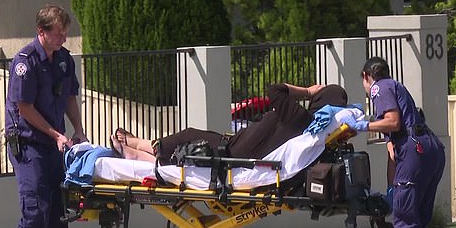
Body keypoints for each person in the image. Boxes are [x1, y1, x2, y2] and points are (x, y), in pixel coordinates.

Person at [344, 56, 449, 228]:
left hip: (416, 152)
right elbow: (393, 152)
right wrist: (393, 189)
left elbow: (392, 121)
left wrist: (362, 125)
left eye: (365, 85)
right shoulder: (399, 89)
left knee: (403, 220)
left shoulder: (381, 86)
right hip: (430, 150)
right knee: (415, 221)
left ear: (366, 77)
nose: (369, 93)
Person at [5, 4, 87, 228]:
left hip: (55, 143)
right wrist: (55, 134)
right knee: (36, 207)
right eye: (59, 32)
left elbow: (69, 97)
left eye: (66, 31)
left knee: (59, 210)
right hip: (29, 145)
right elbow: (23, 108)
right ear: (42, 32)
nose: (64, 37)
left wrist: (78, 128)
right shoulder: (25, 62)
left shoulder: (63, 60)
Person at [111, 83, 348, 163]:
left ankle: (139, 146)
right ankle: (139, 153)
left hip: (237, 150)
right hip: (241, 147)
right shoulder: (308, 127)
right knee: (191, 146)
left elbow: (274, 90)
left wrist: (307, 90)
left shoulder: (299, 117)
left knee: (190, 135)